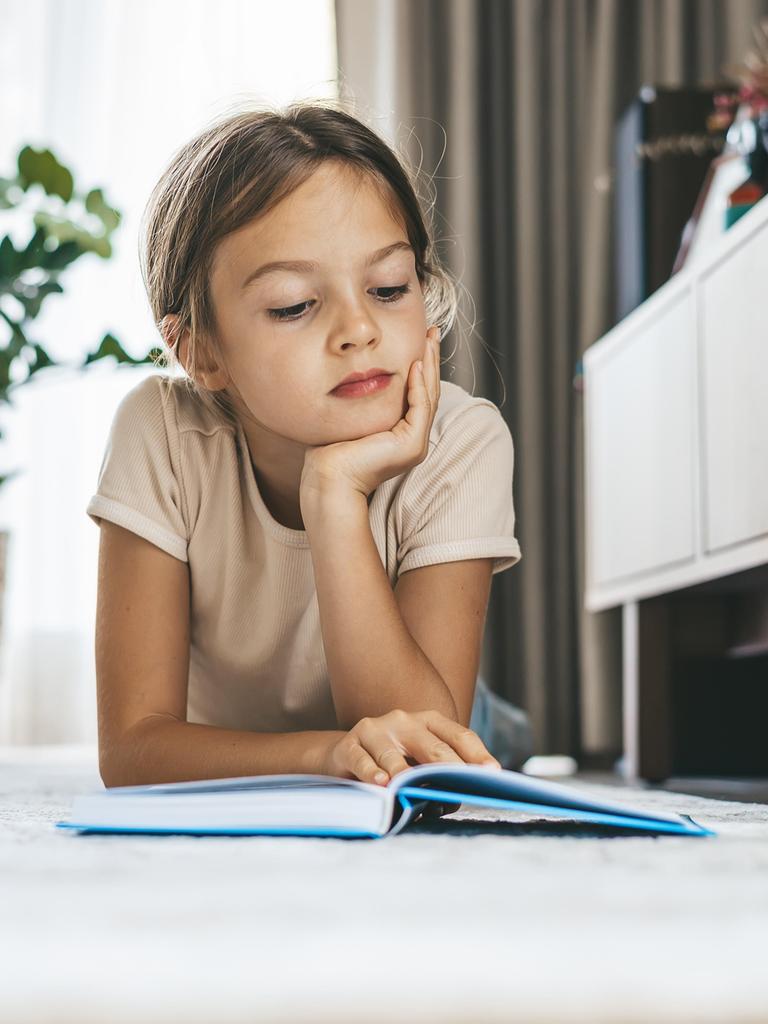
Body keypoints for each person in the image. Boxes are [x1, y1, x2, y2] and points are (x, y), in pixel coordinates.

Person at [89, 99, 532, 792]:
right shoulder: (162, 433)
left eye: (389, 286)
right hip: (245, 741)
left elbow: (421, 754)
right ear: (201, 352)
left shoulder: (463, 438)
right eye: (295, 305)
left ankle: (502, 721)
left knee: (482, 732)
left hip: (432, 694)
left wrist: (333, 495)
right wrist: (325, 754)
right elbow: (132, 751)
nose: (358, 329)